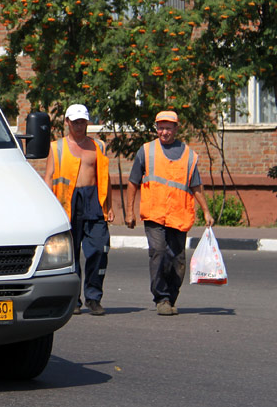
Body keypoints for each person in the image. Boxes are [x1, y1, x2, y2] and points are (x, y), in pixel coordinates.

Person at [124, 110, 214, 316]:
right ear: (156, 128)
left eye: (168, 127)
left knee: (178, 259)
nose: (164, 132)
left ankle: (171, 296)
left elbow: (196, 185)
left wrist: (206, 211)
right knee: (158, 252)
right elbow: (133, 182)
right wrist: (129, 212)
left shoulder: (189, 155)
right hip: (154, 213)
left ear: (176, 128)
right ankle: (161, 298)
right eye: (160, 127)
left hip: (179, 215)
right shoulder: (146, 151)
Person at [43, 104, 113, 316]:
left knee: (99, 251)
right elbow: (48, 176)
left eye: (82, 122)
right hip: (67, 203)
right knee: (70, 255)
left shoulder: (98, 146)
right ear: (67, 122)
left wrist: (108, 206)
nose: (79, 126)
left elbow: (105, 177)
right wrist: (48, 207)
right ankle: (74, 299)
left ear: (87, 122)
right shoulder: (57, 147)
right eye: (75, 122)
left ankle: (94, 298)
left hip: (93, 202)